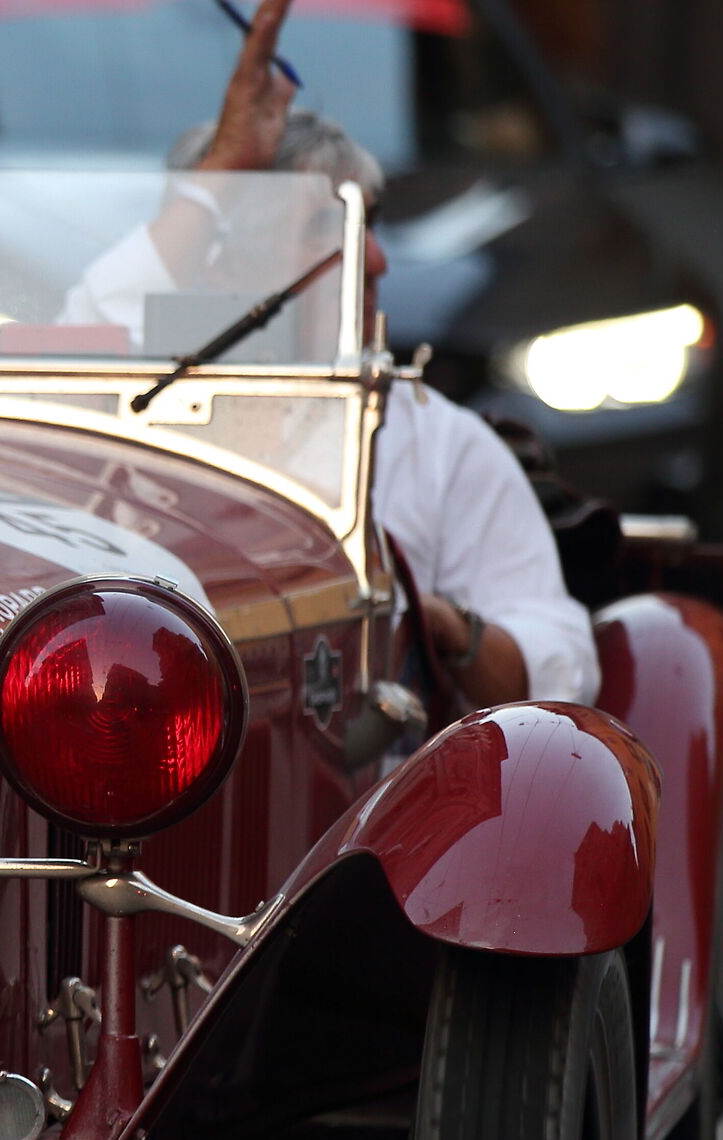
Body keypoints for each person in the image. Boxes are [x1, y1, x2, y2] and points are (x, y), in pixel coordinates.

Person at [64, 0, 597, 708]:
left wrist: (444, 625)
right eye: (326, 228)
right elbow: (94, 322)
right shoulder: (117, 404)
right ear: (224, 263)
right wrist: (221, 175)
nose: (374, 258)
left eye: (369, 225)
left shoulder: (437, 442)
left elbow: (562, 663)